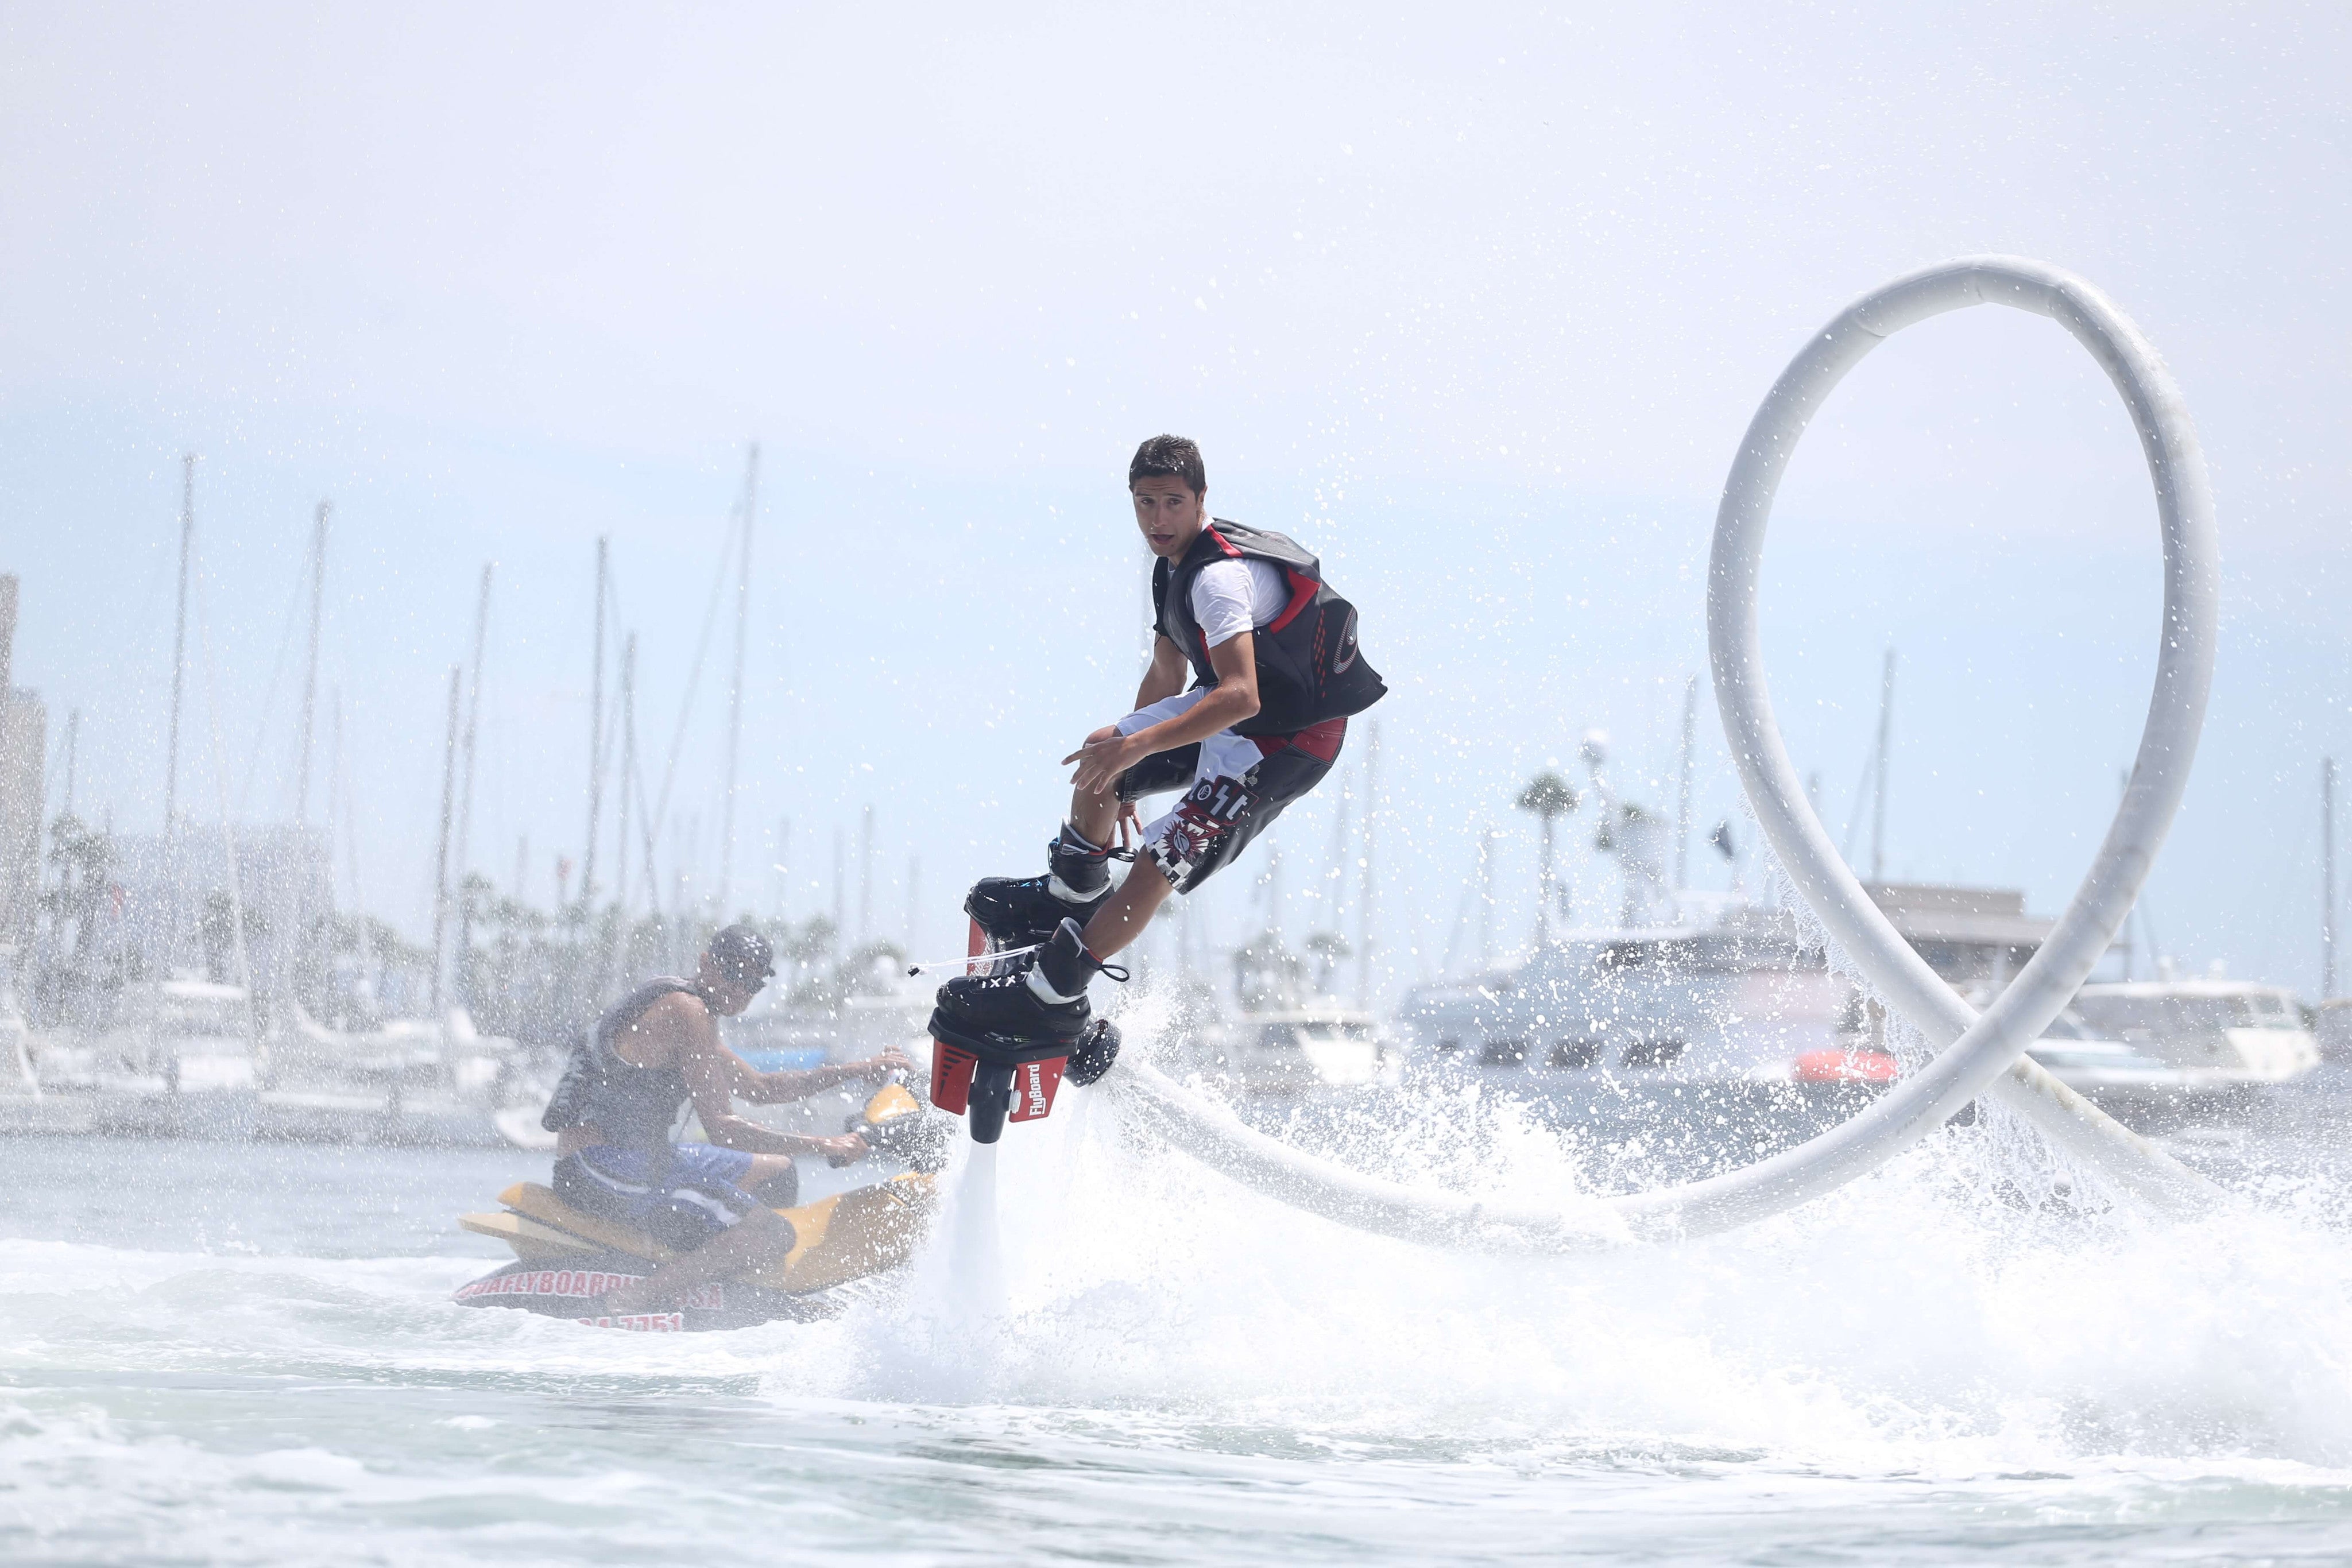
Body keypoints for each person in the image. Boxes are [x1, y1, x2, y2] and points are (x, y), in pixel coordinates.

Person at [935, 434, 1385, 1045]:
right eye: (1145, 503)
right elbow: (1168, 673)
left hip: (1288, 739)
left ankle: (1051, 998)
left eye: (1173, 503)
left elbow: (1241, 694)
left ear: (1201, 499)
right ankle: (1071, 894)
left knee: (1159, 860)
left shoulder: (1217, 581)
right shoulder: (1168, 568)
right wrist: (1124, 772)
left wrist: (1140, 750)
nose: (1158, 519)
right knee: (1101, 751)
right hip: (1235, 712)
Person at [540, 923, 912, 1313]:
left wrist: (857, 1068)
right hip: (596, 1168)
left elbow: (762, 1088)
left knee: (778, 1171)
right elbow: (723, 1129)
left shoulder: (693, 1012)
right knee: (771, 1232)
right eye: (733, 973)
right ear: (706, 963)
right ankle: (632, 1298)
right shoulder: (687, 1010)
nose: (740, 988)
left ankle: (710, 1260)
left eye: (753, 982)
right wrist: (823, 1144)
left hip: (641, 1160)